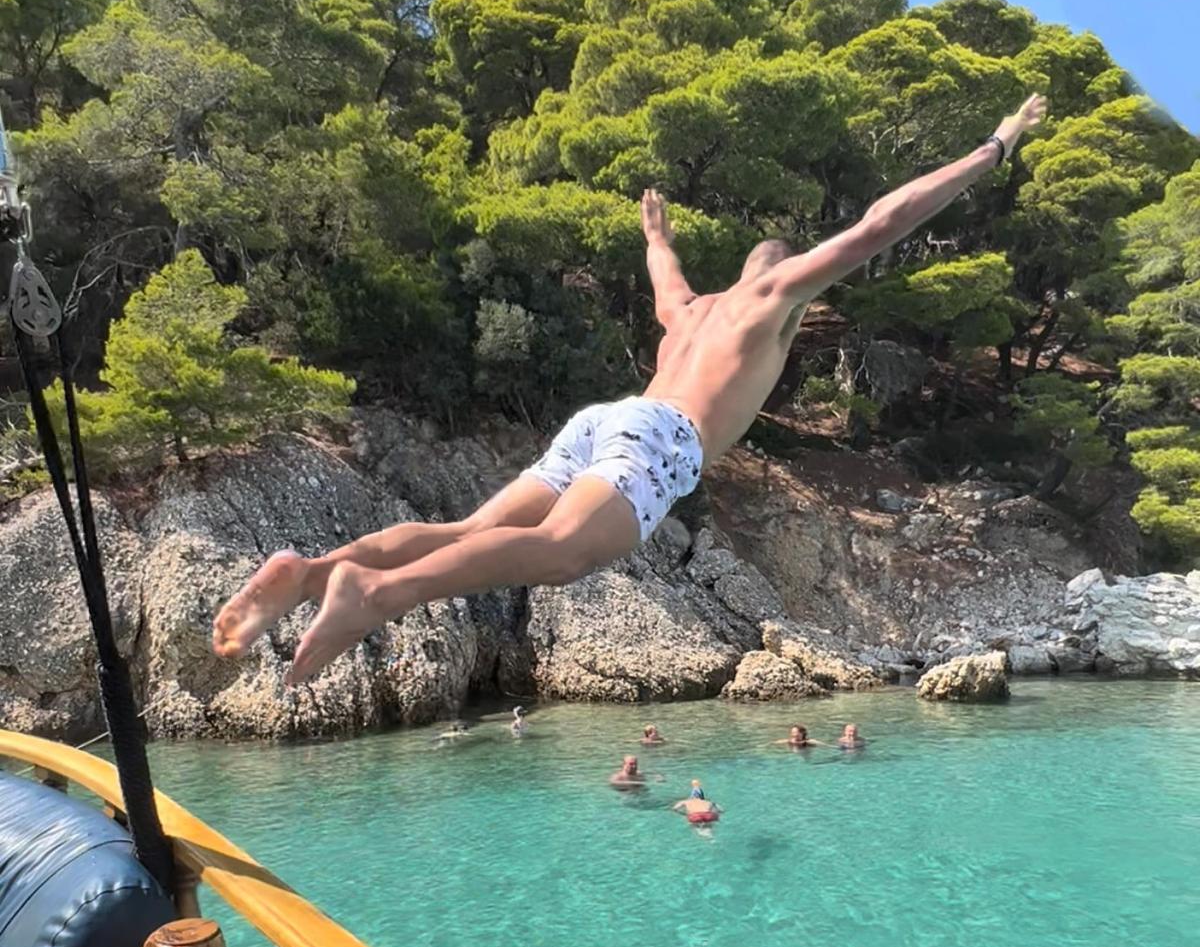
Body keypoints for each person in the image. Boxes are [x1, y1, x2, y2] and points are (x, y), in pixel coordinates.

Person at [212, 96, 1049, 684]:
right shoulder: (773, 298)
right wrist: (995, 146)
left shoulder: (689, 312)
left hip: (606, 420)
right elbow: (880, 223)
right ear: (786, 280)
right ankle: (375, 595)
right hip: (662, 438)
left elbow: (663, 274)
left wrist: (656, 231)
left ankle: (318, 569)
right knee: (565, 555)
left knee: (465, 528)